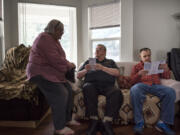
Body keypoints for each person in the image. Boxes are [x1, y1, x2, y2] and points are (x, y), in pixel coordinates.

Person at [26, 19, 78, 135]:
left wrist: (68, 64)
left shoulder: (54, 40)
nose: (62, 33)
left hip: (50, 72)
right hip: (39, 72)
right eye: (60, 30)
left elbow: (60, 58)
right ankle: (59, 127)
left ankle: (67, 119)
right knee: (61, 93)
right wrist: (69, 66)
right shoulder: (44, 38)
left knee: (70, 90)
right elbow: (55, 59)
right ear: (53, 29)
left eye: (63, 31)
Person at [77, 44, 123, 135]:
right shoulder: (90, 61)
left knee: (116, 91)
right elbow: (78, 75)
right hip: (92, 85)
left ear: (105, 52)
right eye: (96, 49)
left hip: (108, 86)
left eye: (99, 49)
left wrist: (102, 68)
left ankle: (107, 121)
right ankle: (94, 120)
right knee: (87, 87)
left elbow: (117, 73)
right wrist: (86, 70)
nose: (96, 51)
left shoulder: (110, 62)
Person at [130, 48, 176, 135]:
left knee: (170, 91)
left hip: (156, 86)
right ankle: (139, 122)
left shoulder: (156, 65)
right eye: (145, 56)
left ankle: (162, 123)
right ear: (140, 57)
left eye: (149, 55)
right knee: (135, 89)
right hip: (142, 85)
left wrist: (166, 69)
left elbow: (166, 77)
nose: (147, 58)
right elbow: (131, 81)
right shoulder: (136, 67)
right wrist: (139, 74)